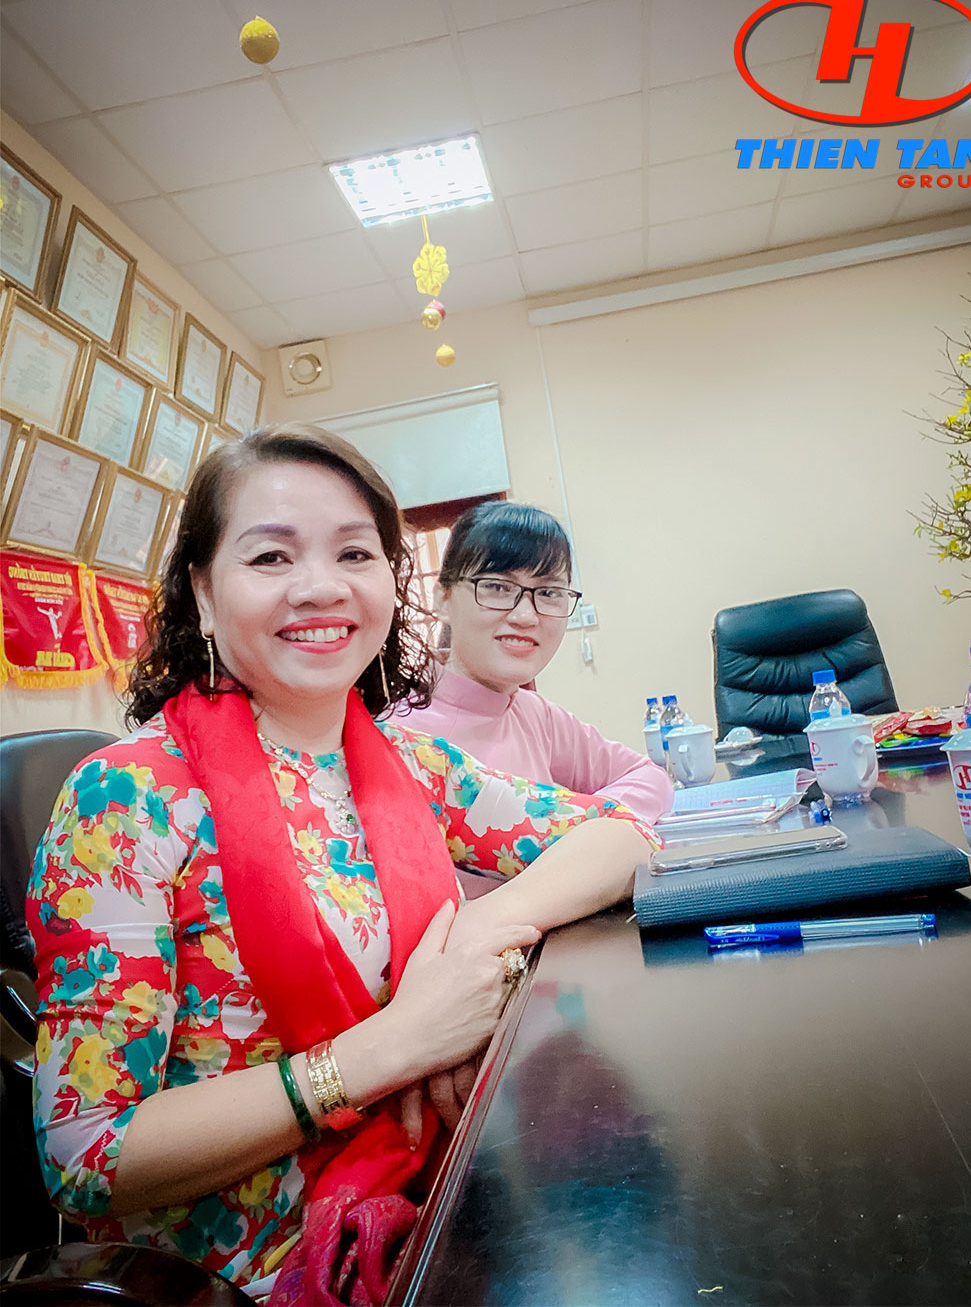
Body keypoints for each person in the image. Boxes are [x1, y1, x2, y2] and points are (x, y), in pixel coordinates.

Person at [28, 426, 657, 1305]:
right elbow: (88, 1156)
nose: (322, 585)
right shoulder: (127, 798)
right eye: (271, 556)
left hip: (440, 1200)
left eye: (354, 553)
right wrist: (390, 1047)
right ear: (203, 593)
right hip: (259, 1274)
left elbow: (625, 836)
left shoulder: (411, 764)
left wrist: (468, 942)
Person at [390, 501, 672, 824]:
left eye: (549, 593)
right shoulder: (399, 730)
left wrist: (576, 825)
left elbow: (649, 778)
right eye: (497, 587)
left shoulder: (535, 715)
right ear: (443, 599)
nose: (525, 616)